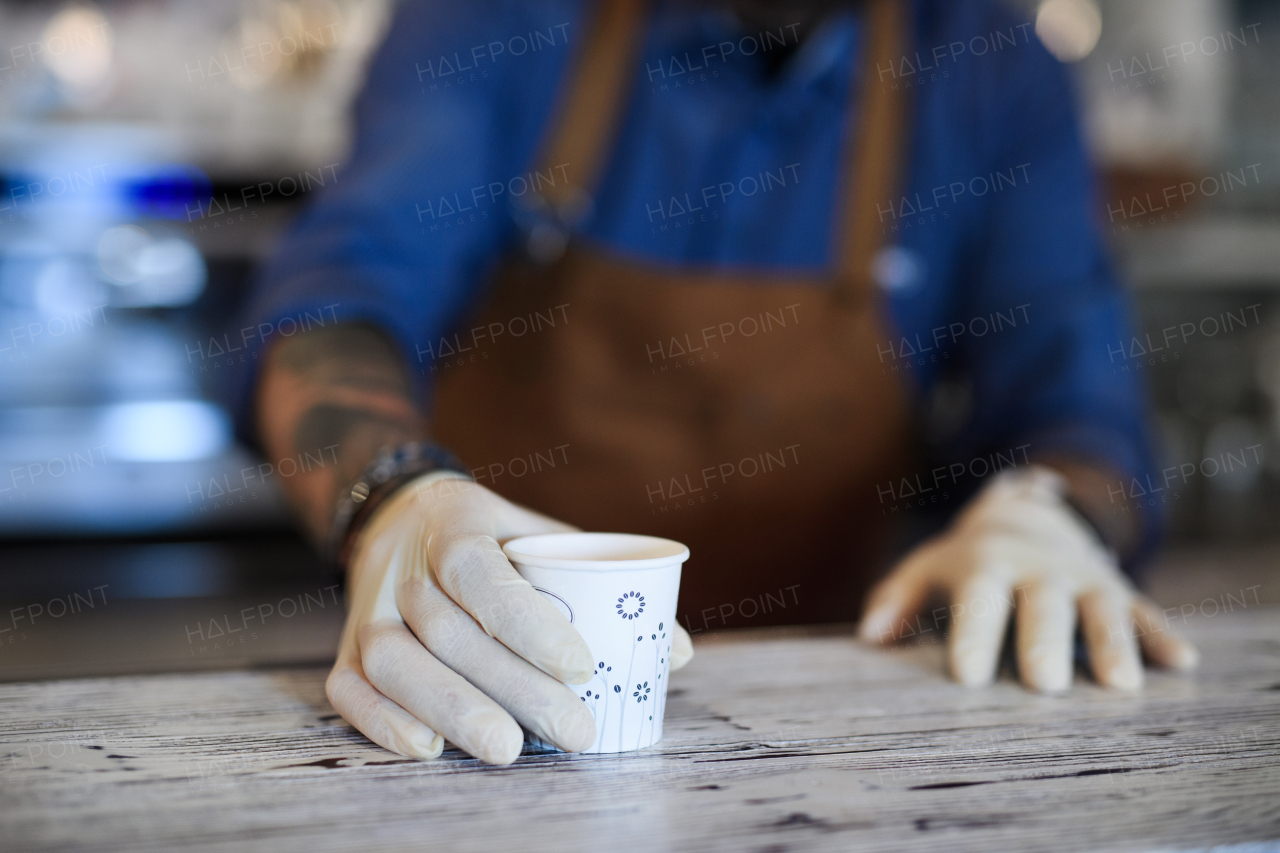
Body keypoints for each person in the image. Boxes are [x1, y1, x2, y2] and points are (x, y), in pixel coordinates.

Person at [235, 0, 1198, 765]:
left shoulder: (990, 62)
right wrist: (392, 495)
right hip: (482, 715)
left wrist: (1051, 510)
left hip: (845, 747)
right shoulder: (501, 20)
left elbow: (1079, 403)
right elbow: (333, 305)